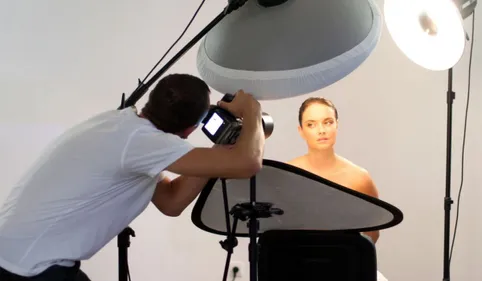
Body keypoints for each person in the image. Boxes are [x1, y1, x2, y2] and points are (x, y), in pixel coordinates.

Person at [0, 73, 265, 281]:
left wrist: (217, 154)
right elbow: (249, 163)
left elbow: (171, 201)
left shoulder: (122, 126)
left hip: (17, 255)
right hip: (30, 268)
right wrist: (252, 111)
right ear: (189, 129)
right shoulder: (144, 142)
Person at [287, 97, 380, 243]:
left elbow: (371, 235)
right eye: (311, 125)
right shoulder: (288, 175)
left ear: (337, 125)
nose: (321, 131)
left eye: (328, 122)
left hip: (345, 260)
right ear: (301, 131)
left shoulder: (359, 178)